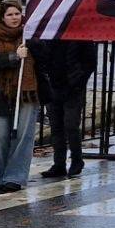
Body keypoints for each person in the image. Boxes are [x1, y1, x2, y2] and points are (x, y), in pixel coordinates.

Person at [0, 0, 47, 193]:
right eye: (10, 15)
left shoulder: (31, 35)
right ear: (2, 17)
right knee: (0, 136)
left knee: (23, 136)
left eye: (17, 14)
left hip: (28, 93)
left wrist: (33, 41)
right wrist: (14, 56)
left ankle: (15, 177)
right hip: (0, 93)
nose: (14, 18)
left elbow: (45, 57)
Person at [37, 39, 97, 178]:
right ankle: (59, 163)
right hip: (54, 85)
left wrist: (79, 80)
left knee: (71, 125)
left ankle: (77, 159)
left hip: (73, 87)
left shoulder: (81, 36)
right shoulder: (50, 34)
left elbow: (90, 62)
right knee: (56, 126)